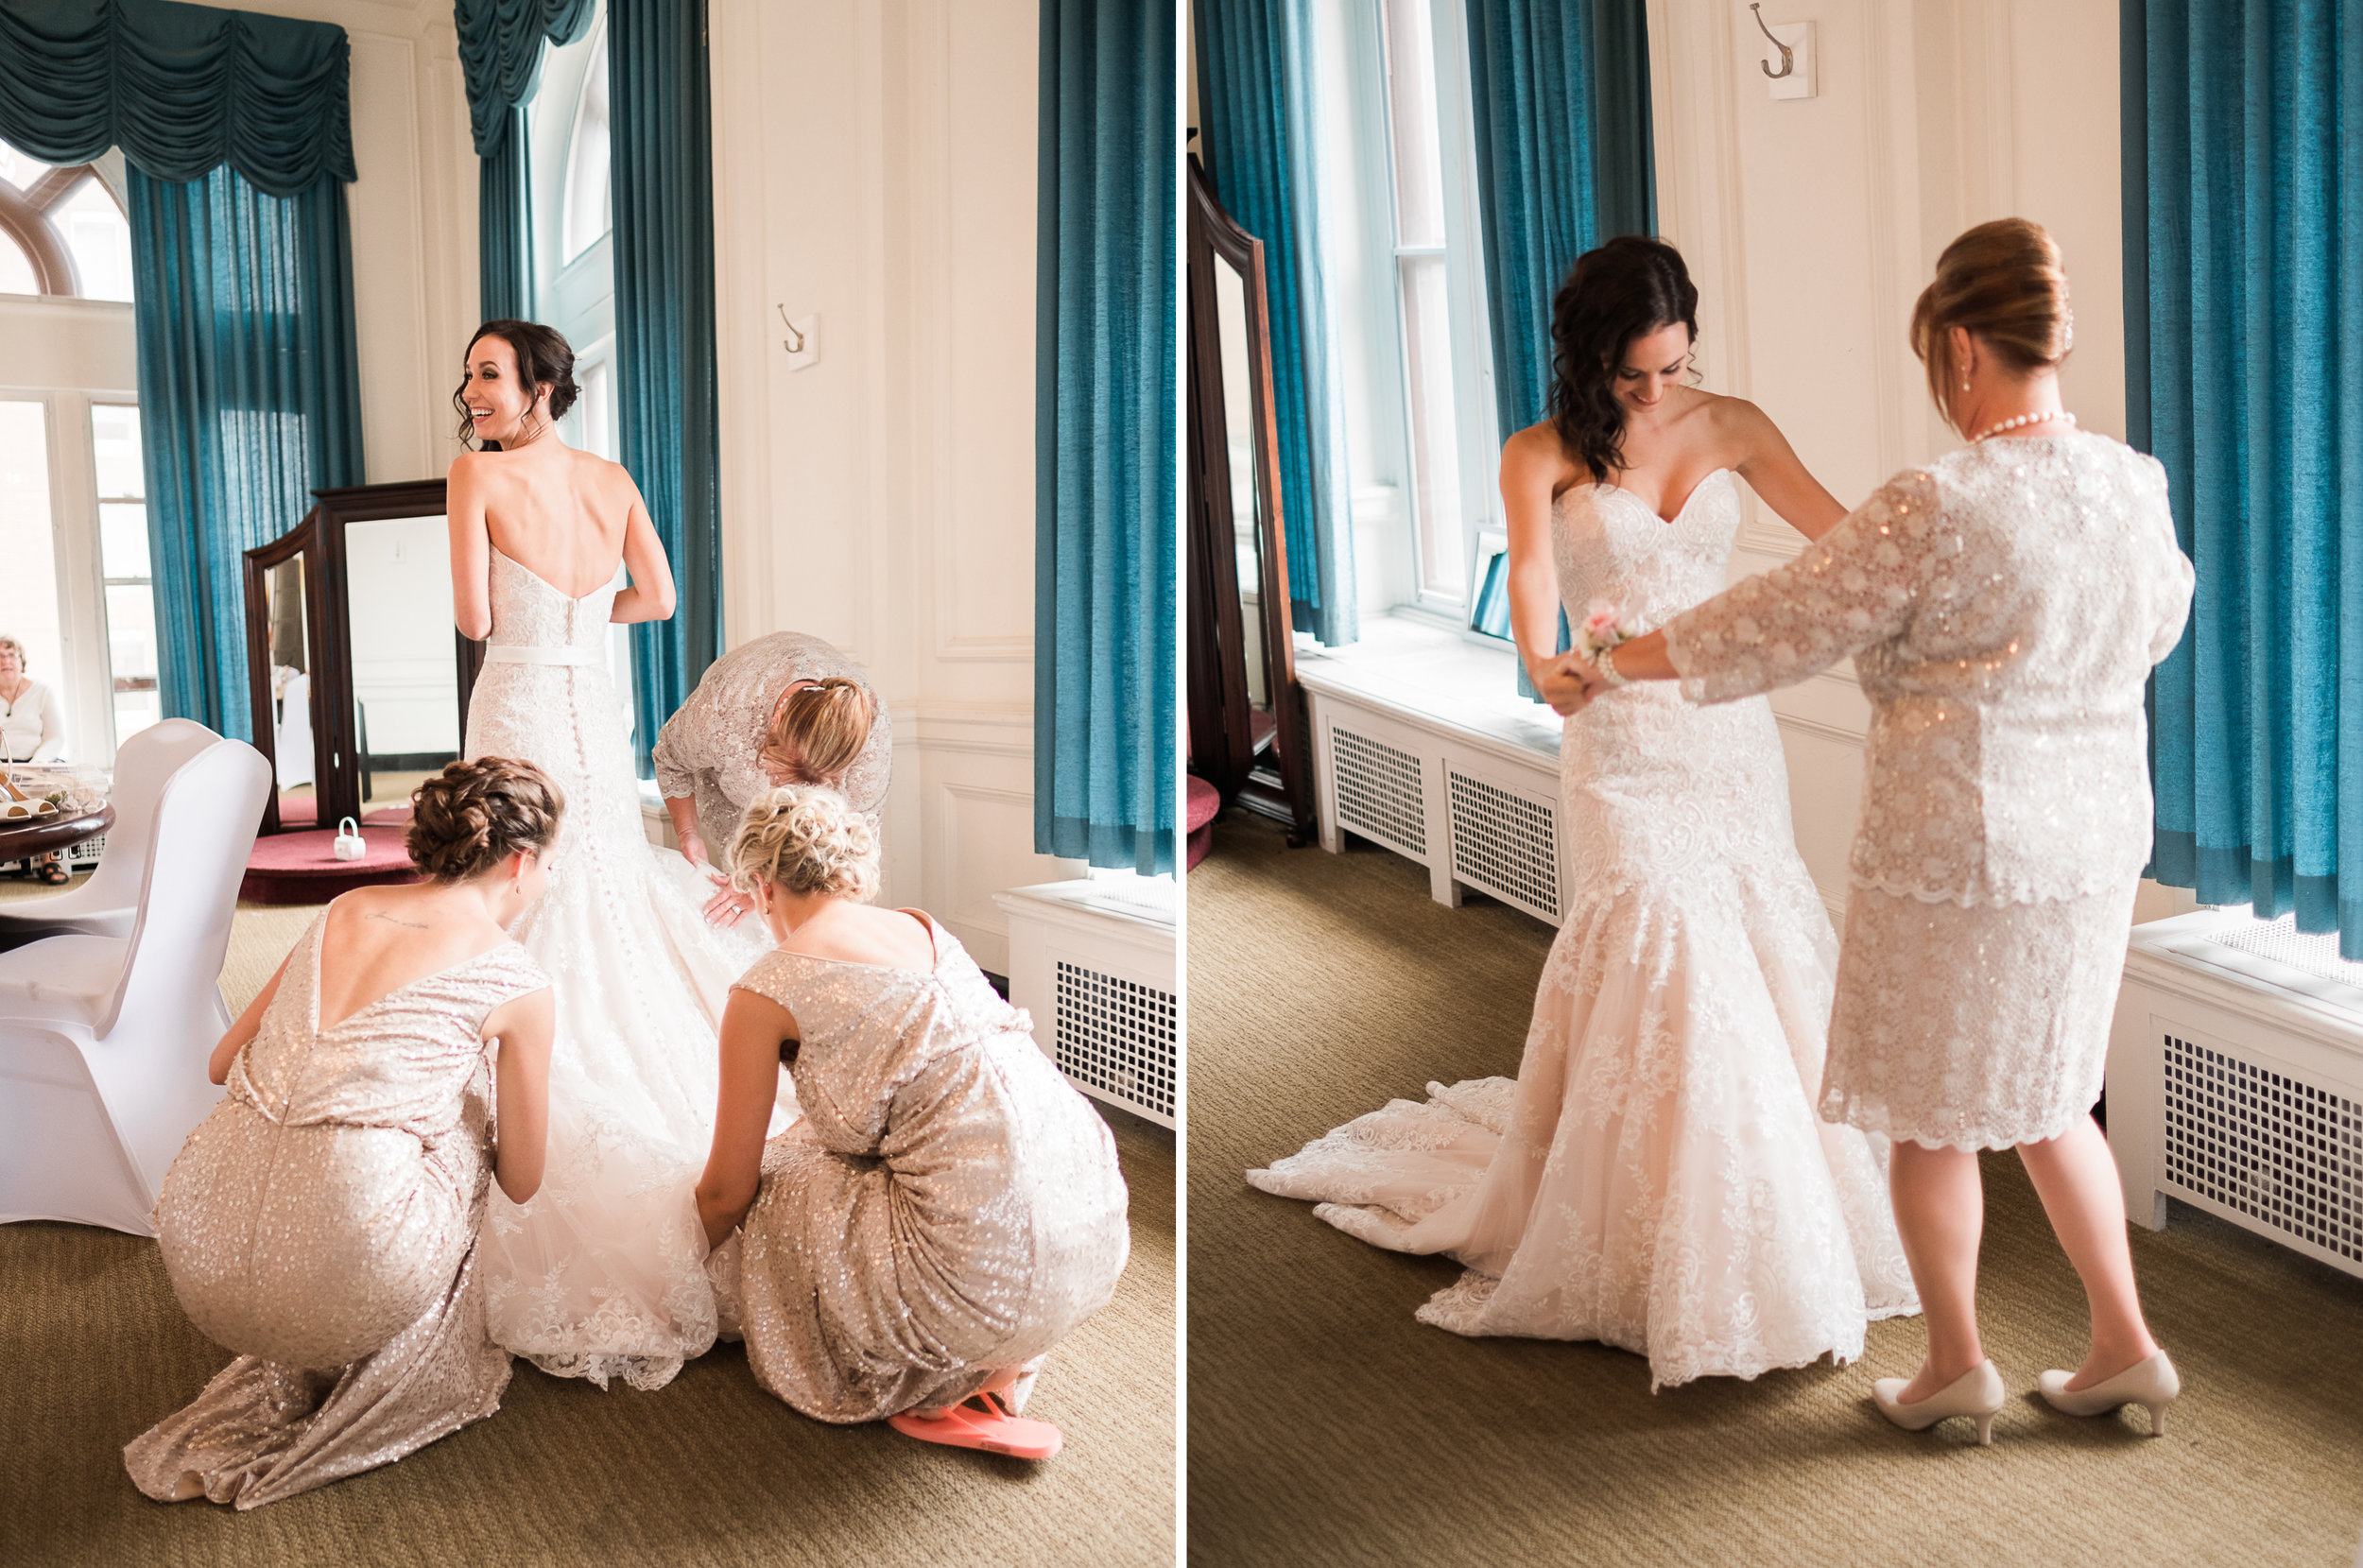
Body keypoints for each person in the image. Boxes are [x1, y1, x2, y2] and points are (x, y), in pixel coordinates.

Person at [1249, 235, 1919, 1389]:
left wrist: (1927, 578)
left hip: (1722, 726)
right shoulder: (1541, 450)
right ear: (1587, 357)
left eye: (1673, 367)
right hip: (1614, 729)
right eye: (1632, 374)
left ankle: (1768, 1216)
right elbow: (1530, 574)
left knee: (1750, 948)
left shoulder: (1738, 425)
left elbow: (1845, 542)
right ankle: (1651, 1224)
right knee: (1662, 943)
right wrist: (1538, 658)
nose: (1656, 393)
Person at [1564, 218, 2195, 1443]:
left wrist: (1609, 654)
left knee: (1930, 1113)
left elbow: (1775, 624)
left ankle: (1955, 1362)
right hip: (2092, 847)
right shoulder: (2133, 484)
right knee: (2055, 1102)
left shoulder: (1935, 503)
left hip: (1957, 852)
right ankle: (2125, 1340)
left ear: (1959, 347)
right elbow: (2155, 626)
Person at [445, 319, 772, 1390]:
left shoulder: (474, 477)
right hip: (593, 693)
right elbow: (662, 600)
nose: (473, 390)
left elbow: (472, 615)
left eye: (489, 373)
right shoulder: (612, 476)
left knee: (512, 882)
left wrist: (542, 630)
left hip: (522, 692)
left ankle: (517, 1088)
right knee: (599, 877)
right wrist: (589, 626)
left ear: (540, 387)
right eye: (471, 376)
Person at [122, 757, 560, 1508]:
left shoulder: (342, 908)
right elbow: (522, 1177)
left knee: (344, 1101)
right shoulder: (516, 977)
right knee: (468, 1102)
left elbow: (223, 1062)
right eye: (551, 865)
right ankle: (397, 1357)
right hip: (347, 1281)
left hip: (199, 1250)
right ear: (521, 862)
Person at [694, 784, 1130, 1458]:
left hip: (973, 1277)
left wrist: (691, 1263)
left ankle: (941, 1374)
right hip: (1097, 1227)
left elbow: (726, 1188)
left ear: (762, 884)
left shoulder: (766, 986)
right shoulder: (923, 926)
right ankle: (1002, 1360)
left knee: (786, 1172)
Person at [654, 650, 890, 927]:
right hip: (731, 805)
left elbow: (848, 854)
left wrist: (766, 892)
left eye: (811, 786)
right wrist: (688, 834)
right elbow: (670, 758)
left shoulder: (868, 733)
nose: (790, 797)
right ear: (775, 723)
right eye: (779, 776)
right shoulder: (723, 712)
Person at [0, 633, 72, 884]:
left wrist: (35, 765)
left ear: (21, 661)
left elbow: (56, 736)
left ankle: (50, 861)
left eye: (11, 655)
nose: (5, 661)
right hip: (1, 767)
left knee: (51, 787)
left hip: (37, 761)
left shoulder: (42, 691)